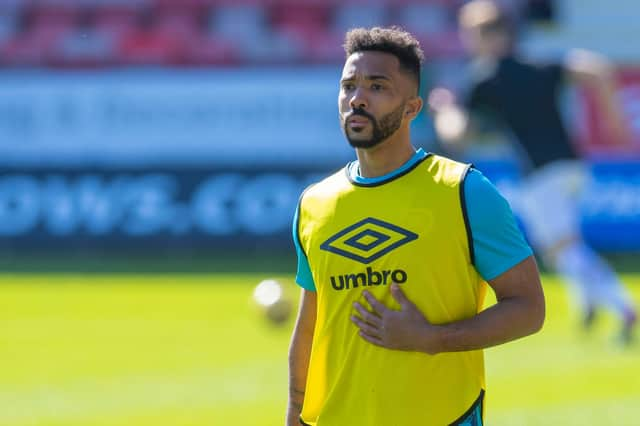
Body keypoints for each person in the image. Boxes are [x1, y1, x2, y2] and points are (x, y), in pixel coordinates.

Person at [287, 26, 545, 426]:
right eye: (348, 85)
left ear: (412, 108)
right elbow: (310, 326)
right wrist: (294, 410)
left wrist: (433, 339)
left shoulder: (464, 191)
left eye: (377, 87)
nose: (357, 98)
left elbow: (529, 308)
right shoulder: (314, 203)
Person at [429, 0, 637, 344]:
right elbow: (597, 70)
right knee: (563, 244)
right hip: (573, 165)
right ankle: (587, 308)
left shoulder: (484, 79)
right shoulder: (539, 64)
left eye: (470, 32)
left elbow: (457, 134)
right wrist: (616, 121)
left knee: (563, 249)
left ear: (484, 35)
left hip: (541, 174)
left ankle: (623, 306)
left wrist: (444, 108)